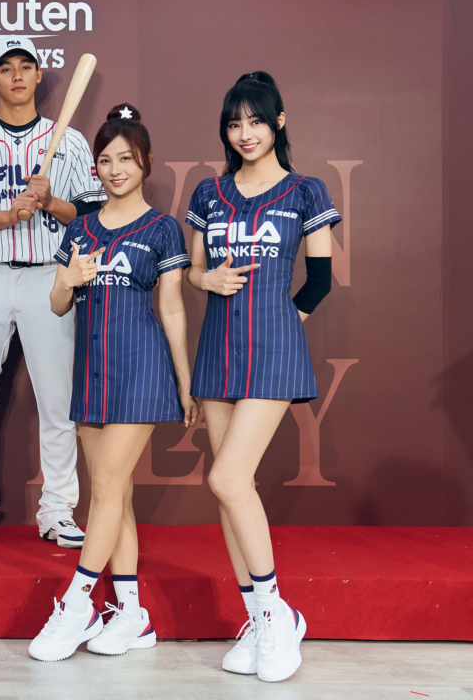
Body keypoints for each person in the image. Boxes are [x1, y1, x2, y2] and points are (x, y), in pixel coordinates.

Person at [27, 104, 196, 662]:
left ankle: (76, 603)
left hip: (142, 371)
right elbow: (57, 303)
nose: (115, 169)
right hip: (92, 374)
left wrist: (185, 381)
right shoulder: (80, 227)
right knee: (114, 495)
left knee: (104, 487)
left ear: (145, 162)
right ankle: (131, 614)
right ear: (94, 167)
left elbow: (171, 308)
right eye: (105, 159)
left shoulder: (162, 228)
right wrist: (71, 280)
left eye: (126, 158)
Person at [186, 72, 339, 682]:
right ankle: (257, 617)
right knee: (231, 488)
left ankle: (277, 614)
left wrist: (281, 319)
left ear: (278, 121)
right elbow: (192, 270)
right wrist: (206, 280)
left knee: (226, 477)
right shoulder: (209, 193)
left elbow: (321, 279)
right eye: (234, 123)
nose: (244, 133)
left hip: (273, 353)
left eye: (255, 120)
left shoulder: (305, 190)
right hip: (217, 350)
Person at [0, 37, 105, 549]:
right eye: (5, 68)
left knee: (57, 401)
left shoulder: (69, 142)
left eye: (25, 66)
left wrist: (51, 204)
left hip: (50, 276)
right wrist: (9, 216)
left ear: (37, 75)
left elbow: (93, 214)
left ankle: (58, 509)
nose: (16, 75)